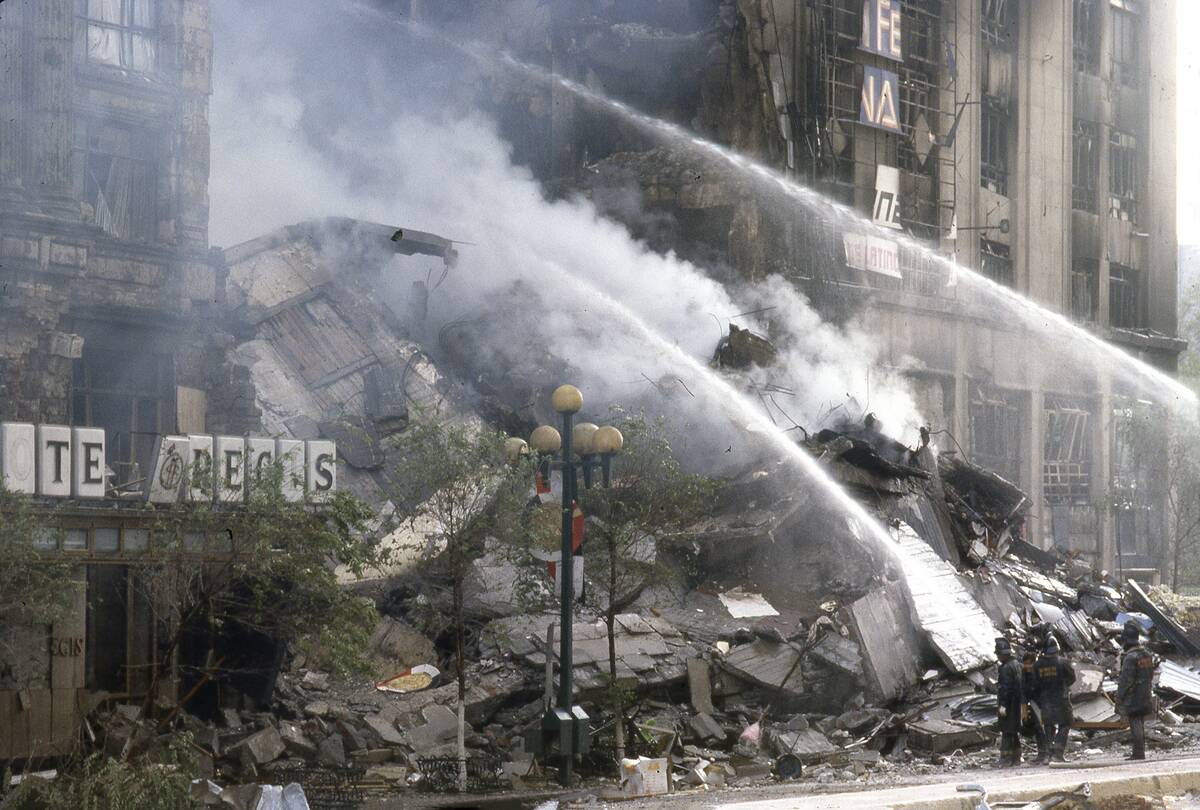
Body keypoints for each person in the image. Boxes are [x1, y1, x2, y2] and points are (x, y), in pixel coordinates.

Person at [1116, 619, 1156, 760]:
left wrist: (1119, 697)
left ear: (1126, 640)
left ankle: (1138, 753)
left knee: (1134, 721)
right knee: (1141, 722)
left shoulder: (1130, 658)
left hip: (1134, 695)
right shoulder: (1147, 654)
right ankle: (1140, 751)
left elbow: (1125, 680)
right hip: (1145, 692)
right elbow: (1151, 674)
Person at [1034, 635, 1075, 762]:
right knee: (1066, 723)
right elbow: (1072, 678)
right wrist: (1063, 685)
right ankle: (1057, 753)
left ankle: (1047, 755)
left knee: (1048, 725)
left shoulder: (1037, 665)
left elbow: (1035, 683)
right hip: (1061, 698)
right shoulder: (1063, 662)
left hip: (1045, 699)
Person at [995, 637, 1024, 766]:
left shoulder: (1006, 668)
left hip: (1009, 704)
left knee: (1007, 731)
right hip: (1017, 703)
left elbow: (1005, 688)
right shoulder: (1017, 664)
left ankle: (1005, 759)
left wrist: (1003, 705)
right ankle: (1016, 757)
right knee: (1013, 730)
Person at [1021, 645, 1049, 764]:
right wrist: (1024, 709)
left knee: (1044, 729)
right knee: (1037, 729)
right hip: (1032, 704)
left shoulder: (1040, 673)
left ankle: (1047, 754)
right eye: (1026, 664)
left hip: (1043, 703)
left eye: (1030, 664)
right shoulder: (1025, 674)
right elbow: (1023, 690)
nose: (1027, 667)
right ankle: (1041, 753)